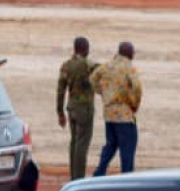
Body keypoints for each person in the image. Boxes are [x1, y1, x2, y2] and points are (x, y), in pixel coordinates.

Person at [91, 41, 142, 176]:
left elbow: (92, 79)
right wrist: (134, 104)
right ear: (128, 52)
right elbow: (137, 88)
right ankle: (127, 176)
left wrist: (103, 92)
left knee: (111, 144)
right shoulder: (129, 67)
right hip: (125, 115)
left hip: (109, 114)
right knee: (128, 147)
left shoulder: (107, 66)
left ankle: (100, 171)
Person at [57, 36, 97, 179]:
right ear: (86, 49)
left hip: (71, 108)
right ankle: (78, 178)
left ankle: (73, 176)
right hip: (84, 109)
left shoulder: (66, 65)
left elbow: (60, 91)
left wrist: (60, 113)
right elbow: (101, 71)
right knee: (82, 145)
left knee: (74, 142)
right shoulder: (88, 65)